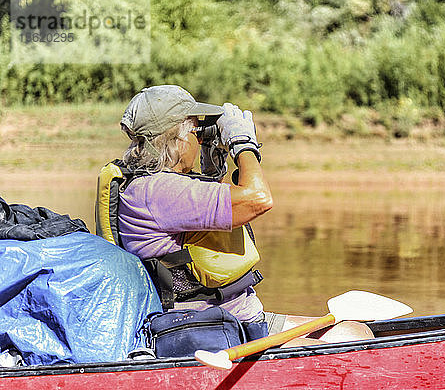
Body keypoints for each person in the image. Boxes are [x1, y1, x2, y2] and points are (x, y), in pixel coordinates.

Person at [110, 84, 372, 342]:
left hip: (235, 319)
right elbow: (258, 198)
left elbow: (213, 207)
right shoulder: (159, 192)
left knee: (355, 332)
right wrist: (243, 145)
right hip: (210, 331)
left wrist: (213, 163)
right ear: (176, 139)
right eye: (194, 131)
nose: (200, 139)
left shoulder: (156, 187)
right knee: (354, 344)